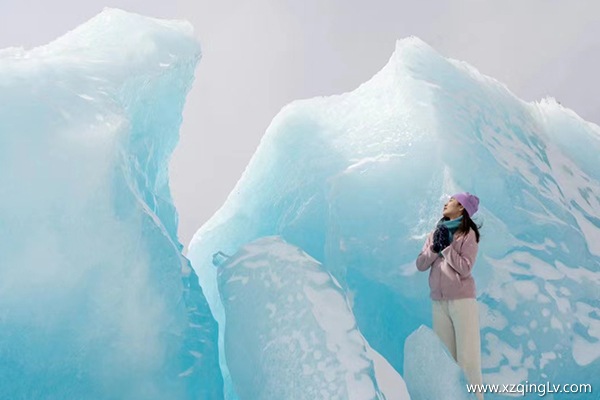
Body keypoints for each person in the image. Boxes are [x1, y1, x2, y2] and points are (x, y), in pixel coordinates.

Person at [416, 192, 484, 399]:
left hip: (462, 301)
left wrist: (446, 248)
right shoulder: (435, 233)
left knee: (468, 360)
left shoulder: (467, 235)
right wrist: (434, 249)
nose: (446, 203)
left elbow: (465, 268)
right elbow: (420, 265)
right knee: (446, 360)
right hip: (439, 302)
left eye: (451, 200)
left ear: (461, 207)